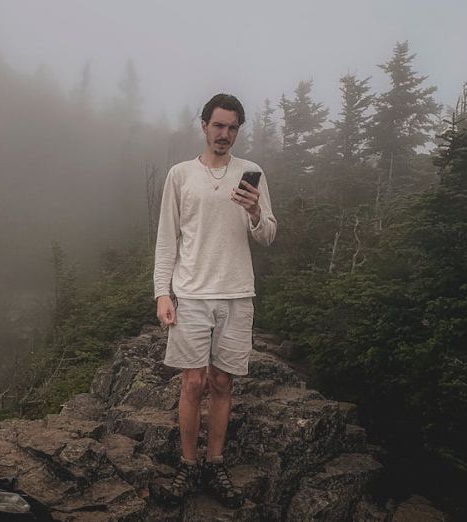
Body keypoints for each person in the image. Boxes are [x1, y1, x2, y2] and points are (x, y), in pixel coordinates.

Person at [152, 93, 277, 508]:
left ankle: (215, 462)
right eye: (218, 125)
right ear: (203, 125)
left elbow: (268, 235)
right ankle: (189, 465)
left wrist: (257, 211)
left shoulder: (251, 173)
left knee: (222, 383)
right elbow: (167, 238)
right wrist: (161, 293)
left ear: (238, 131)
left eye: (232, 127)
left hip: (237, 294)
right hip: (190, 293)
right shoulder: (181, 174)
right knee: (192, 382)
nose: (224, 134)